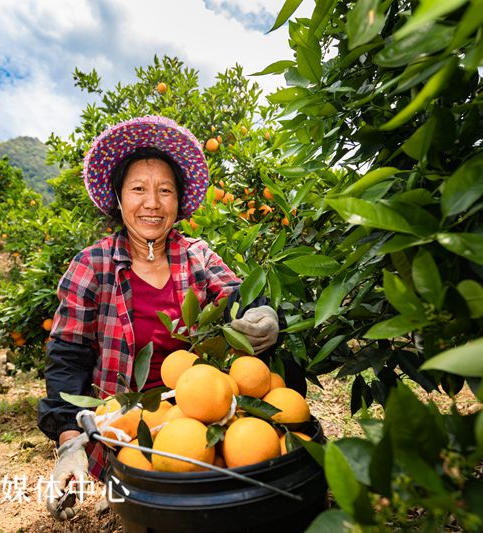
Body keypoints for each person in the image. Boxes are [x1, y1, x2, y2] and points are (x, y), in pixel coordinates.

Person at [38, 116, 304, 521]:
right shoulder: (92, 267)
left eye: (165, 191)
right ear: (119, 198)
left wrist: (262, 314)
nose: (152, 203)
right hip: (130, 430)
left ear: (178, 201)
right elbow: (68, 356)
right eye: (139, 189)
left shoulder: (196, 256)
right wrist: (69, 442)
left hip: (206, 412)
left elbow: (239, 299)